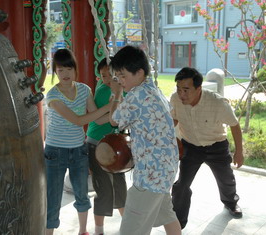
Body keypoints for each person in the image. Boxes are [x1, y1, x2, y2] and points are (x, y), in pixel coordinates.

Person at [109, 45, 182, 235]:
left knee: (131, 229)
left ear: (139, 72)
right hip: (165, 171)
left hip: (150, 175)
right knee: (167, 215)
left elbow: (114, 120)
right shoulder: (152, 88)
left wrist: (116, 93)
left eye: (123, 76)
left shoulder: (137, 95)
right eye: (117, 76)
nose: (120, 80)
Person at [44, 49, 111, 235]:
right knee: (53, 197)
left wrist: (117, 114)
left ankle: (83, 231)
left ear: (75, 69)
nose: (65, 74)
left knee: (82, 195)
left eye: (68, 69)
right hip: (55, 151)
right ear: (55, 72)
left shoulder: (84, 90)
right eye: (60, 70)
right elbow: (79, 120)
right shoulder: (52, 96)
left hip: (78, 150)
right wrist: (108, 107)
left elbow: (97, 119)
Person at [170, 67, 244, 229]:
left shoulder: (217, 102)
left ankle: (230, 202)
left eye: (186, 90)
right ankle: (178, 221)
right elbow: (174, 119)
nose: (181, 94)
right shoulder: (175, 99)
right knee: (182, 185)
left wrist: (239, 151)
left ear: (198, 89)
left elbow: (235, 125)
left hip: (216, 145)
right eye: (179, 89)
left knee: (226, 179)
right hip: (191, 146)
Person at [86, 57, 127, 235]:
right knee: (102, 188)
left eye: (110, 75)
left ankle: (127, 226)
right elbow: (102, 119)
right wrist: (116, 106)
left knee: (120, 186)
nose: (107, 80)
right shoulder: (104, 91)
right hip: (97, 144)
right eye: (103, 76)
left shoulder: (125, 89)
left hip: (116, 145)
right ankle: (99, 230)